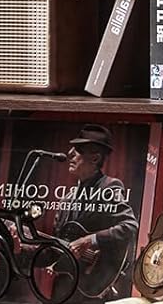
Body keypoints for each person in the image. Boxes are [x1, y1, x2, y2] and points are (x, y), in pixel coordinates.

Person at [55, 125, 139, 292]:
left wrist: (89, 240)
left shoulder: (109, 187)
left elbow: (130, 226)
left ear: (95, 158)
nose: (70, 153)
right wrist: (22, 245)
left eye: (78, 150)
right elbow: (55, 245)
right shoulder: (67, 198)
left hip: (95, 284)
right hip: (65, 284)